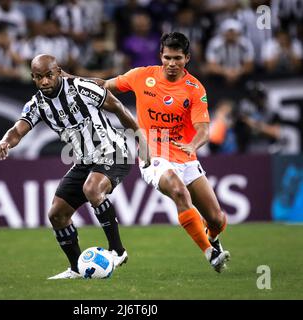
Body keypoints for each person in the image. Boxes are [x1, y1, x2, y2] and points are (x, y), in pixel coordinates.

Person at [0, 54, 150, 279]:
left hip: (115, 152)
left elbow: (118, 107)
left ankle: (118, 251)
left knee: (92, 189)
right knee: (57, 214)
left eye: (48, 76)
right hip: (85, 161)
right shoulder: (37, 104)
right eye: (38, 77)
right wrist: (5, 141)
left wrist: (140, 141)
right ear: (33, 78)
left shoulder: (81, 88)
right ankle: (76, 268)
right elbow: (18, 129)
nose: (44, 82)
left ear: (58, 72)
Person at [91, 32, 231, 272]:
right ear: (161, 56)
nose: (172, 63)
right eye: (167, 57)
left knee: (217, 219)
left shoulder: (194, 88)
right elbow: (104, 84)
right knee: (178, 191)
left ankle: (212, 237)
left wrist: (193, 146)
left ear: (187, 58)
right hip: (152, 154)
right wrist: (69, 79)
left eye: (177, 58)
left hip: (185, 156)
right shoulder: (141, 76)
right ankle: (210, 253)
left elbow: (204, 131)